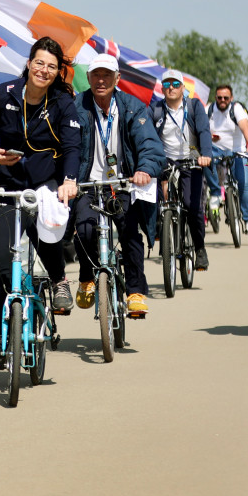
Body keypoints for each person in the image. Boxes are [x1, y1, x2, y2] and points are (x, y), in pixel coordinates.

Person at [0, 37, 81, 367]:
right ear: (29, 64)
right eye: (39, 63)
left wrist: (69, 180)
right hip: (8, 186)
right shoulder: (5, 94)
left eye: (51, 66)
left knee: (46, 236)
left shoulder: (62, 103)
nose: (44, 70)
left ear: (58, 72)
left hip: (46, 185)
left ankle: (59, 280)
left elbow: (72, 146)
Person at [71, 54, 166, 317]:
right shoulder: (76, 106)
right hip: (87, 184)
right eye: (96, 75)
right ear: (88, 78)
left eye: (107, 75)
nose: (101, 80)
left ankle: (135, 291)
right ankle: (86, 277)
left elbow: (149, 144)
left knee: (129, 232)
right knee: (84, 231)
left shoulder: (132, 107)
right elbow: (65, 146)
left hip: (123, 183)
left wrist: (144, 169)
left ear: (117, 78)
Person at [150, 69, 213, 270]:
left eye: (175, 84)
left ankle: (200, 248)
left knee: (191, 205)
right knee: (153, 197)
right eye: (167, 84)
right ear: (162, 89)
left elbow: (204, 131)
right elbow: (146, 135)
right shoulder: (155, 109)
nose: (171, 88)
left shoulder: (194, 107)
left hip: (191, 159)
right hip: (166, 160)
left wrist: (206, 155)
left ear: (183, 88)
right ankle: (160, 228)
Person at [204, 84, 248, 236]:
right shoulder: (208, 109)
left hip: (237, 150)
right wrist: (209, 137)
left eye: (226, 98)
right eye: (219, 97)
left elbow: (245, 128)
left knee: (244, 185)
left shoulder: (237, 109)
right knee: (206, 160)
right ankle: (215, 193)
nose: (222, 100)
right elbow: (202, 130)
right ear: (215, 97)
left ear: (231, 98)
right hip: (216, 150)